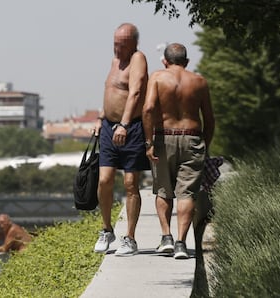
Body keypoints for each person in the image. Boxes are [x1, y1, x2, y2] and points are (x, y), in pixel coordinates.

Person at [142, 43, 215, 259]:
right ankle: (182, 243)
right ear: (187, 61)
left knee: (163, 190)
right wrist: (205, 145)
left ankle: (166, 238)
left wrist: (148, 142)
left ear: (165, 61)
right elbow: (209, 119)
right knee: (187, 193)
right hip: (192, 139)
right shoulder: (199, 81)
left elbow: (147, 109)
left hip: (164, 137)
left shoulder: (157, 77)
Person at [93, 23, 150, 256]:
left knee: (130, 183)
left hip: (131, 127)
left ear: (133, 44)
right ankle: (107, 230)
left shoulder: (138, 58)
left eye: (121, 45)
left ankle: (130, 238)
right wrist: (100, 117)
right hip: (108, 126)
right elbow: (110, 90)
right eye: (115, 43)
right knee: (104, 180)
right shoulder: (115, 60)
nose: (116, 48)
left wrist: (124, 125)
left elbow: (135, 93)